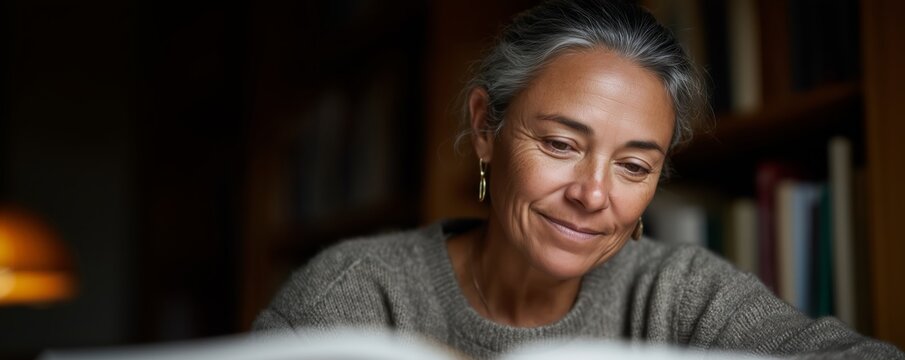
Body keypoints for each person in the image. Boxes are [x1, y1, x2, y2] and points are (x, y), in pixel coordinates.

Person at [253, 0, 904, 359]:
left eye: (633, 166)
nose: (593, 196)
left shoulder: (679, 292)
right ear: (485, 128)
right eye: (561, 144)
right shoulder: (357, 291)